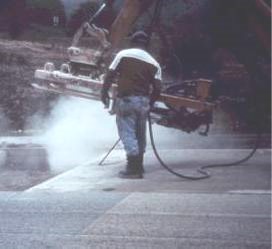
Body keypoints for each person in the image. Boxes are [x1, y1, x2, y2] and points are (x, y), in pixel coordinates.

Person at [101, 30, 162, 179]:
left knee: (127, 133)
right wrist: (150, 102)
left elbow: (110, 75)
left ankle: (133, 169)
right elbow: (158, 88)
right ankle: (139, 166)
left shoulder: (123, 54)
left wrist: (104, 94)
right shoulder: (154, 63)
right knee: (140, 134)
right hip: (143, 102)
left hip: (127, 100)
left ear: (132, 42)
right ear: (146, 45)